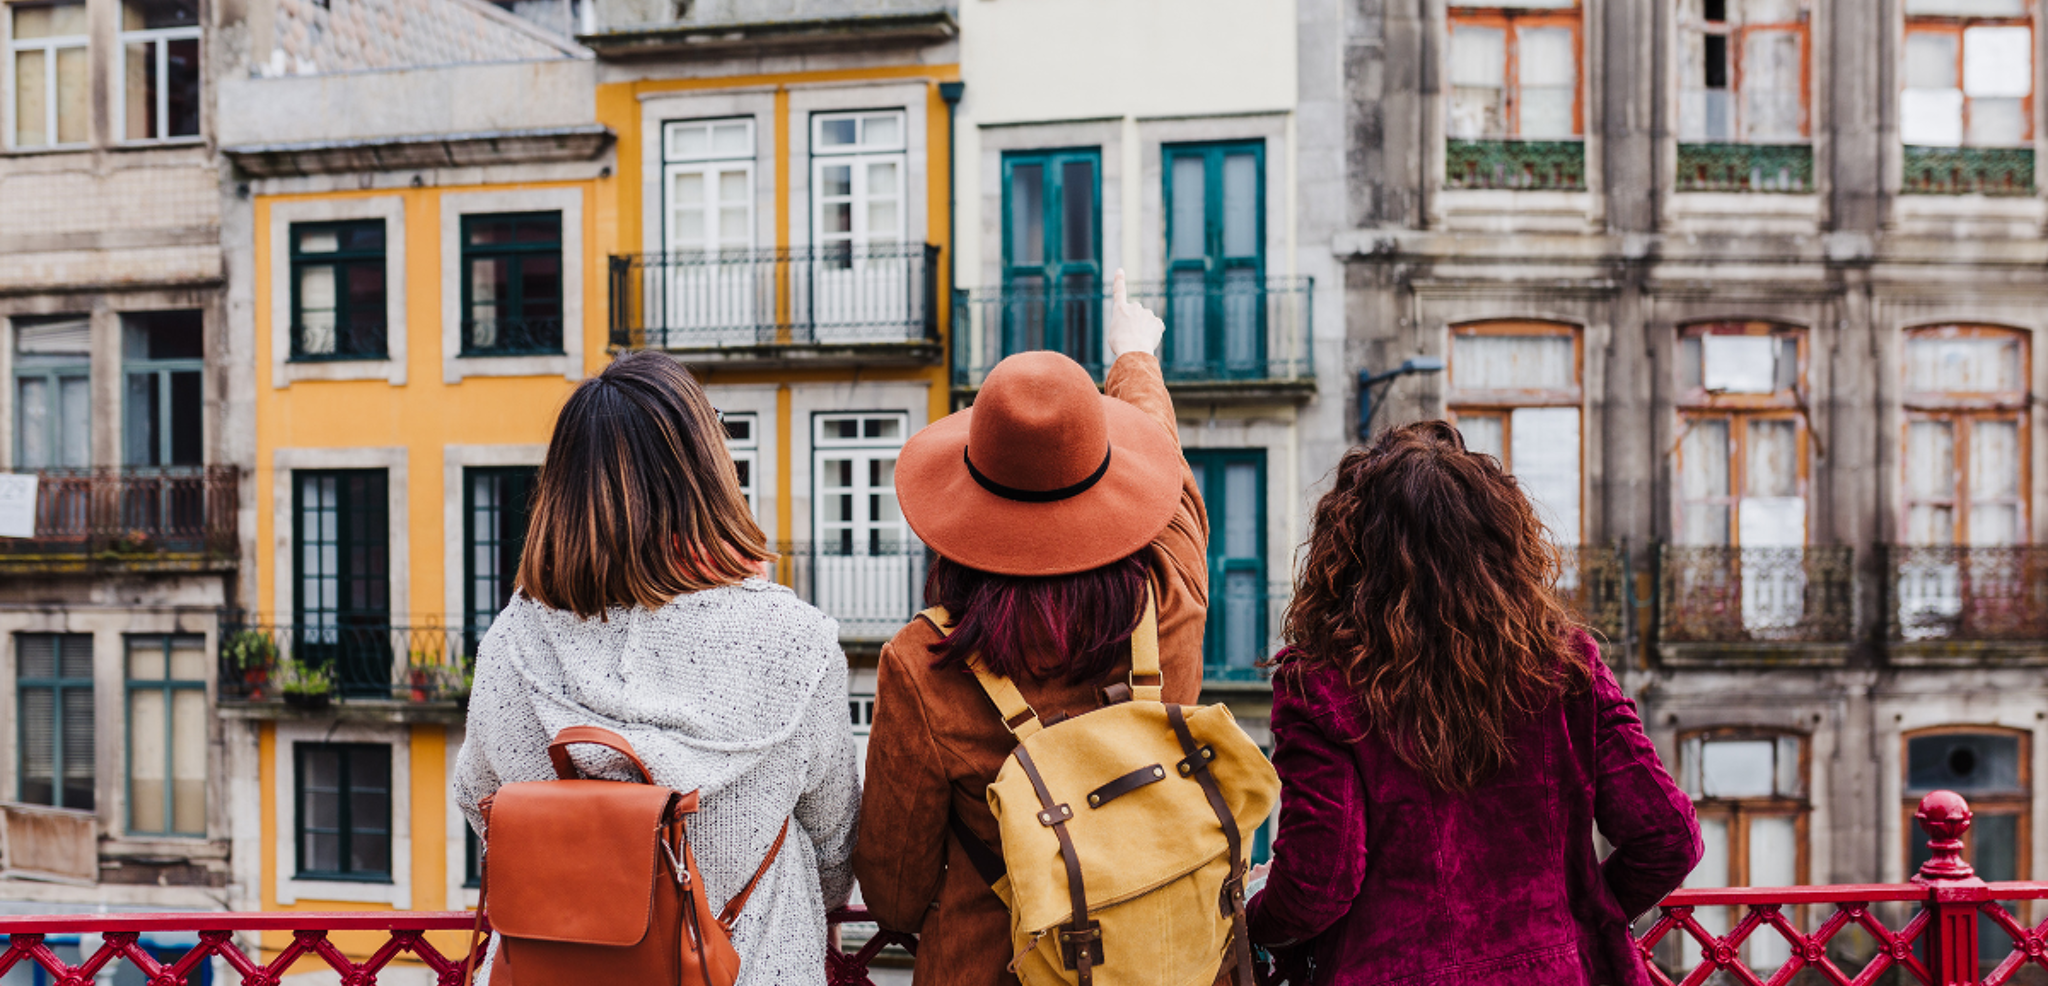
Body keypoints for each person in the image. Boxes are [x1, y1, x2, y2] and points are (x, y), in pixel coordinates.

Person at [452, 351, 860, 986]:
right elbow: (836, 847)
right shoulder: (795, 641)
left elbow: (480, 804)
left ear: (562, 488)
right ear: (708, 472)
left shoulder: (514, 637)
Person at [1246, 421, 1702, 986]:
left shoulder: (1322, 687)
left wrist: (1254, 913)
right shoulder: (1565, 666)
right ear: (1501, 543)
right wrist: (1579, 917)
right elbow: (1668, 836)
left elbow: (1321, 880)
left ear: (1350, 553)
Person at [853, 271, 1210, 985]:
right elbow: (1171, 470)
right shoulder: (1172, 589)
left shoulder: (925, 662)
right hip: (1165, 962)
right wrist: (1134, 357)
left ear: (966, 502)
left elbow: (894, 890)